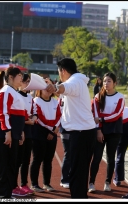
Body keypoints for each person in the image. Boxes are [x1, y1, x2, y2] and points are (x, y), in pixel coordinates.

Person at [45, 57, 97, 198]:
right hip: (83, 132)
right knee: (79, 172)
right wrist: (53, 88)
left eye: (59, 72)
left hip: (81, 134)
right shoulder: (78, 81)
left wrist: (55, 87)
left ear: (63, 71)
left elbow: (64, 88)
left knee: (77, 172)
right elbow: (62, 90)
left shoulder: (75, 82)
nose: (59, 76)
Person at [0, 67, 25, 199]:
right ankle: (2, 195)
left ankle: (7, 193)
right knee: (4, 167)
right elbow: (2, 112)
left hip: (13, 134)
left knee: (12, 165)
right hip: (4, 135)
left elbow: (20, 114)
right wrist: (7, 132)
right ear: (11, 77)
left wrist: (20, 132)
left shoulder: (14, 92)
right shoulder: (5, 91)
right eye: (19, 76)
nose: (21, 78)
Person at [89, 72, 125, 192]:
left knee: (111, 158)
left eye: (109, 81)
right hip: (100, 130)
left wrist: (102, 118)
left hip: (115, 131)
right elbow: (95, 115)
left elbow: (117, 114)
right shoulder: (97, 97)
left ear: (115, 83)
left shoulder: (120, 97)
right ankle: (91, 183)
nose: (106, 83)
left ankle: (107, 182)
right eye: (104, 81)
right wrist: (98, 129)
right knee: (97, 157)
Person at [30, 78, 61, 193]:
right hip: (39, 133)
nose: (48, 90)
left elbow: (59, 116)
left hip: (52, 134)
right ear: (40, 89)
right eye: (45, 88)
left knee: (48, 160)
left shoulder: (54, 102)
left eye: (50, 88)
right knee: (37, 159)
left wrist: (53, 131)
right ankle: (34, 184)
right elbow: (40, 118)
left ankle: (46, 183)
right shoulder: (36, 101)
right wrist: (51, 129)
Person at [12, 73, 35, 196]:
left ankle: (24, 184)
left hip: (29, 131)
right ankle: (14, 185)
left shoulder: (30, 98)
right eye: (26, 82)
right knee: (18, 159)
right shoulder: (16, 96)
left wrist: (33, 118)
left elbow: (34, 112)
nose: (28, 84)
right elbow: (17, 116)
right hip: (20, 130)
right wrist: (28, 121)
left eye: (29, 82)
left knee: (26, 159)